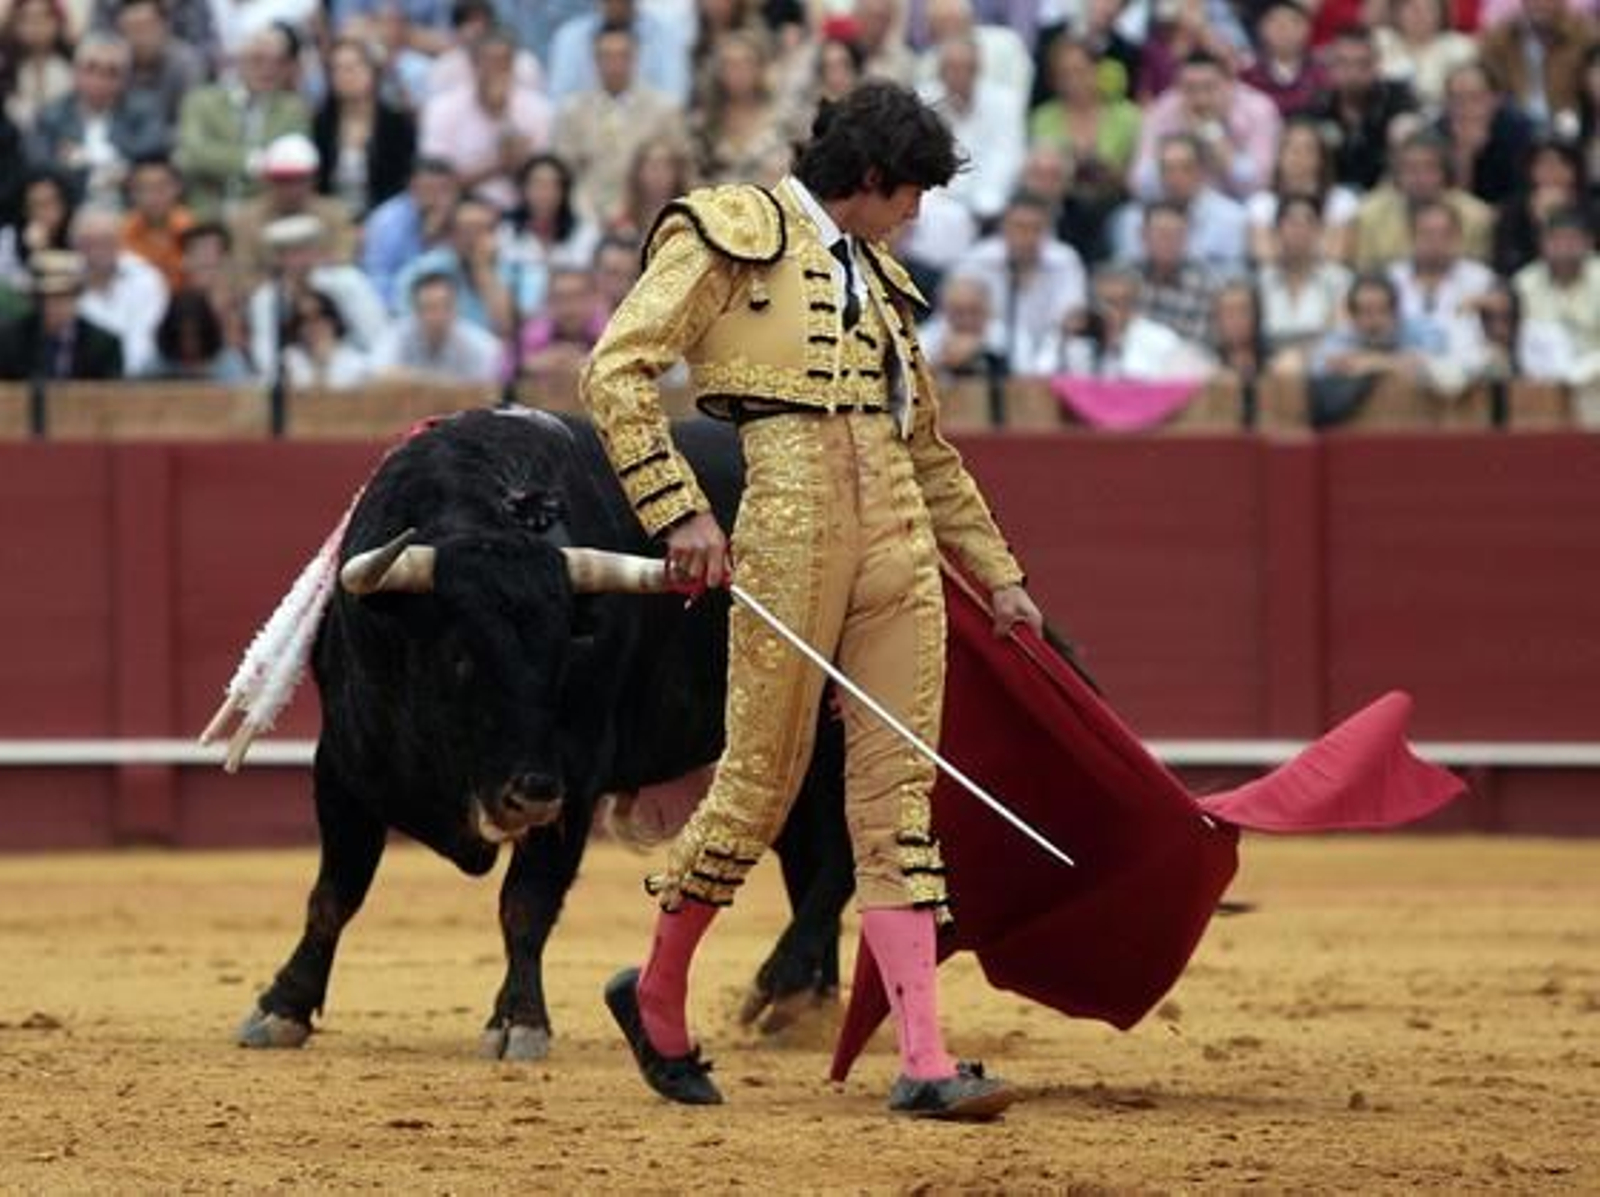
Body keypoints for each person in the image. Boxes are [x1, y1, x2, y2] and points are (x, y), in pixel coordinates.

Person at [580, 81, 1043, 1118]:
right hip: (784, 517)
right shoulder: (730, 230)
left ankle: (923, 1059)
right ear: (871, 181)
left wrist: (999, 573)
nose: (919, 212)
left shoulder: (883, 283)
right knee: (759, 783)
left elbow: (925, 449)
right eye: (913, 191)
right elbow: (616, 372)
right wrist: (679, 511)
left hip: (897, 538)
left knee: (895, 802)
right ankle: (655, 994)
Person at [0, 249, 125, 379]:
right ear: (36, 300)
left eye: (63, 296)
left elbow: (110, 394)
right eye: (46, 297)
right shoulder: (9, 340)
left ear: (76, 297)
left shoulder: (104, 345)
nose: (53, 305)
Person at [368, 269, 503, 383]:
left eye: (446, 307)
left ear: (456, 308)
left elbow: (494, 376)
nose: (439, 315)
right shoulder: (399, 333)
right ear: (416, 311)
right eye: (429, 308)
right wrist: (434, 382)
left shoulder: (477, 342)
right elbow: (377, 372)